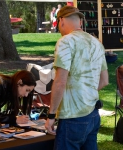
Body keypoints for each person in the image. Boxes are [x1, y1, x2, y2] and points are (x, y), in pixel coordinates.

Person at [45, 6, 109, 150]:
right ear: (80, 22)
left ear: (61, 21)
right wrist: (85, 90)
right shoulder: (97, 43)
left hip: (72, 116)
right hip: (93, 114)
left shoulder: (66, 41)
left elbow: (60, 81)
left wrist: (51, 116)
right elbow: (104, 80)